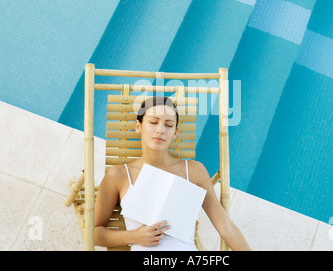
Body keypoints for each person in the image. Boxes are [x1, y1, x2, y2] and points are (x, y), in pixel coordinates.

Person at [94, 96, 251, 251]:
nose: (160, 130)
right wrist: (135, 236)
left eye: (168, 125)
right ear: (138, 126)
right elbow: (94, 232)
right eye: (153, 122)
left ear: (175, 133)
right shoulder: (119, 175)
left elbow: (225, 226)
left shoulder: (194, 171)